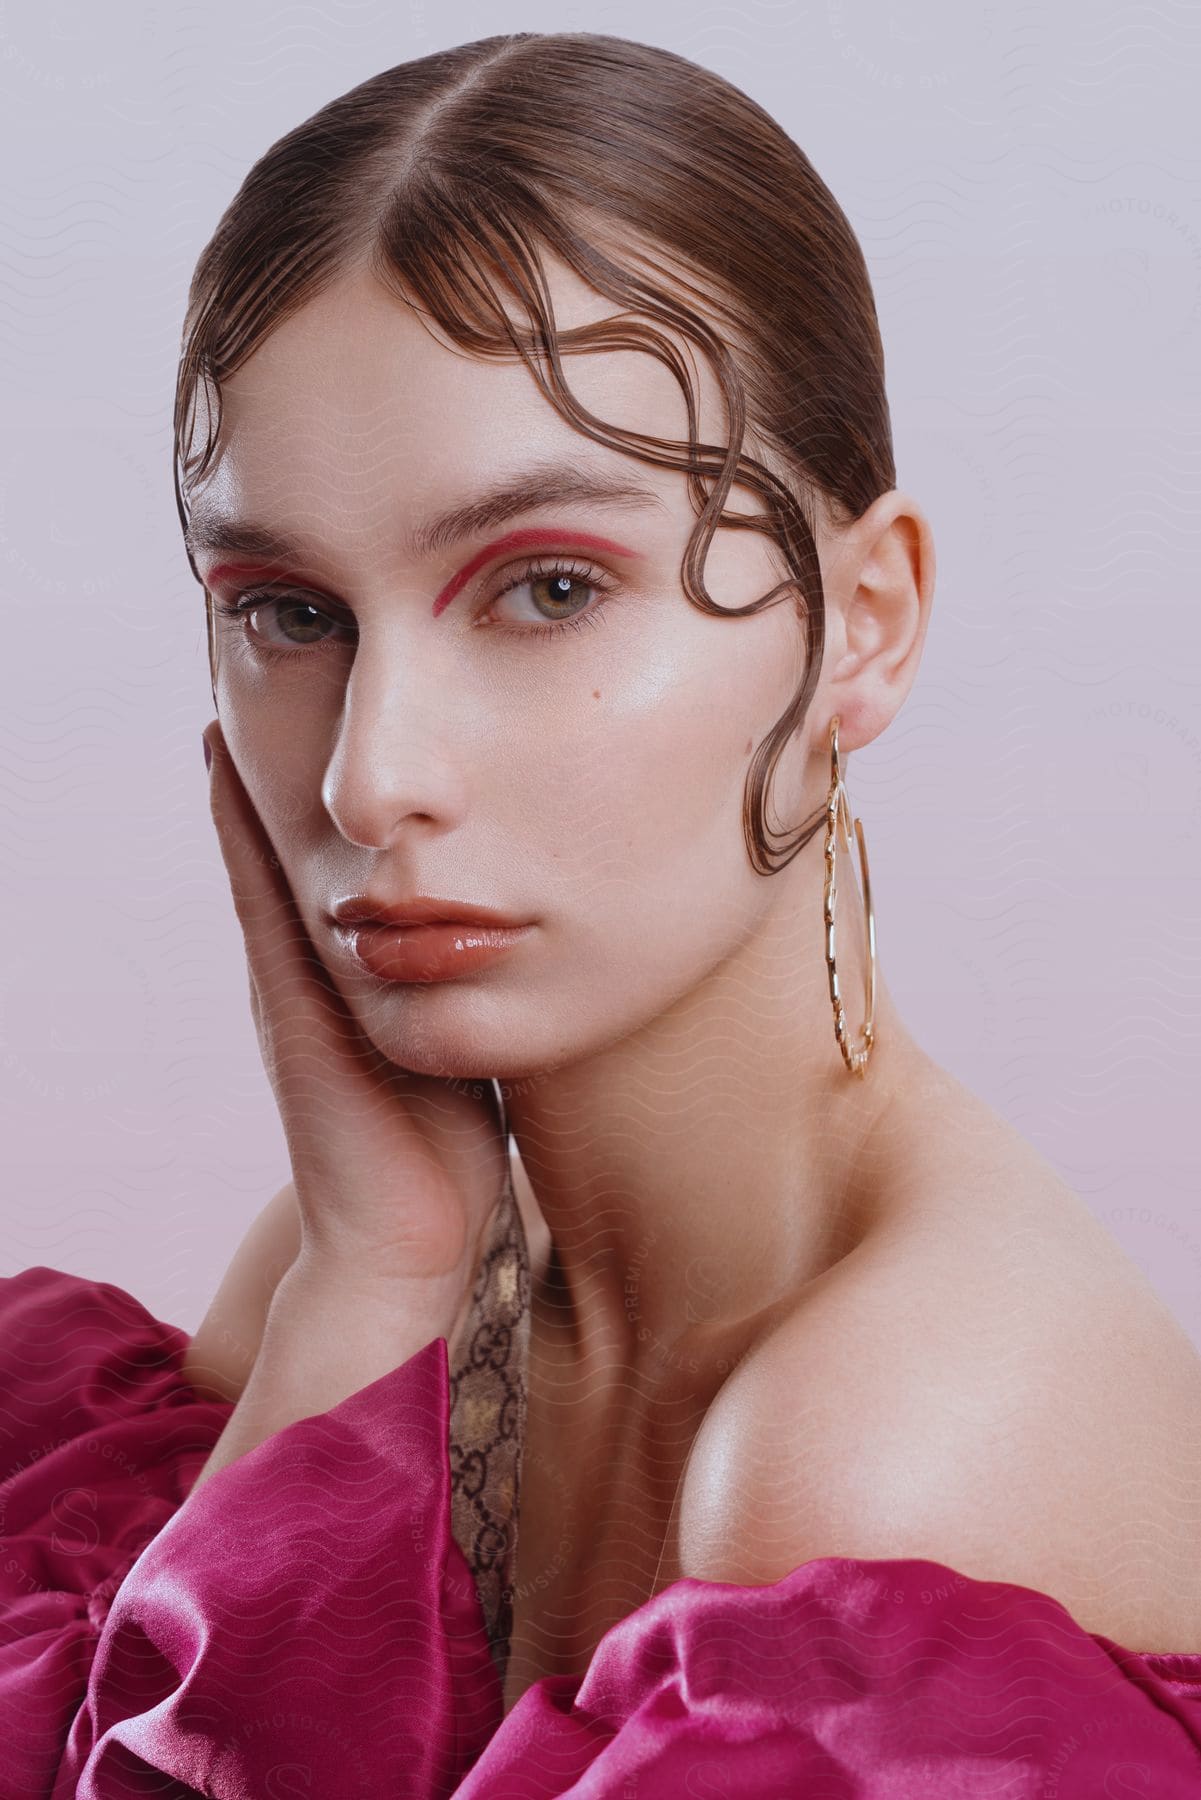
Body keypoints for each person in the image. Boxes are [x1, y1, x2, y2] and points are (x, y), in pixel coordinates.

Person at [3, 29, 1201, 1796]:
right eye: (288, 612)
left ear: (862, 621)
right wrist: (375, 1266)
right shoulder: (368, 1267)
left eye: (547, 586)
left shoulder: (887, 1454)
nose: (366, 780)